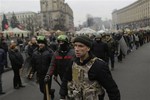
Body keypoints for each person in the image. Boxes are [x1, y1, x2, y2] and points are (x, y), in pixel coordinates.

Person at [59, 35, 120, 100]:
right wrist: (62, 95)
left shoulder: (98, 65)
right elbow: (66, 79)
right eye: (75, 45)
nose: (76, 49)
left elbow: (112, 89)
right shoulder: (73, 62)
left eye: (80, 46)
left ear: (88, 48)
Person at [28, 36, 54, 100]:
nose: (40, 44)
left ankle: (47, 96)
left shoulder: (50, 52)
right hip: (39, 74)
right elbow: (33, 64)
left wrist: (54, 73)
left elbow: (53, 64)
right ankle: (52, 92)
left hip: (47, 74)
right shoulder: (35, 53)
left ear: (45, 44)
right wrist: (32, 72)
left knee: (46, 90)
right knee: (42, 89)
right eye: (39, 43)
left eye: (42, 43)